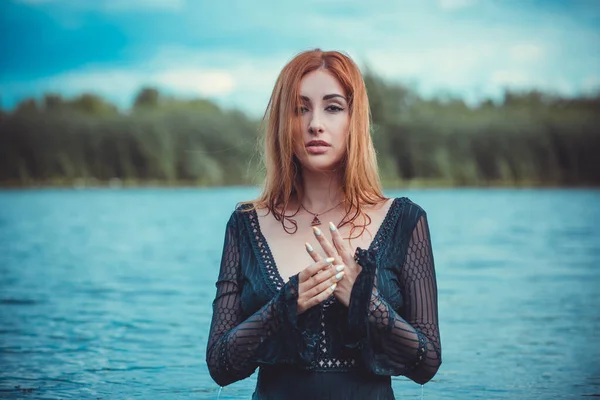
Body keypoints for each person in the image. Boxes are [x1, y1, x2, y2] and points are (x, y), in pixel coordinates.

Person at [206, 49, 441, 400]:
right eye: (300, 109)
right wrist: (283, 306)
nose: (315, 123)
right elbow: (220, 365)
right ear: (283, 123)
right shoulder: (246, 223)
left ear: (354, 120)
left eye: (332, 107)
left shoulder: (406, 220)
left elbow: (427, 363)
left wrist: (366, 302)